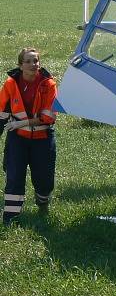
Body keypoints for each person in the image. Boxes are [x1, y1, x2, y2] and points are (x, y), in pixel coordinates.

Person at [0, 48, 58, 225]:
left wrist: (21, 123)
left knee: (44, 179)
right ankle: (10, 218)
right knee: (14, 177)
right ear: (20, 65)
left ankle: (42, 204)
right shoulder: (10, 84)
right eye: (28, 61)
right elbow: (2, 112)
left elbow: (48, 118)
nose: (33, 65)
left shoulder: (49, 85)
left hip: (43, 139)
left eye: (36, 61)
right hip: (17, 139)